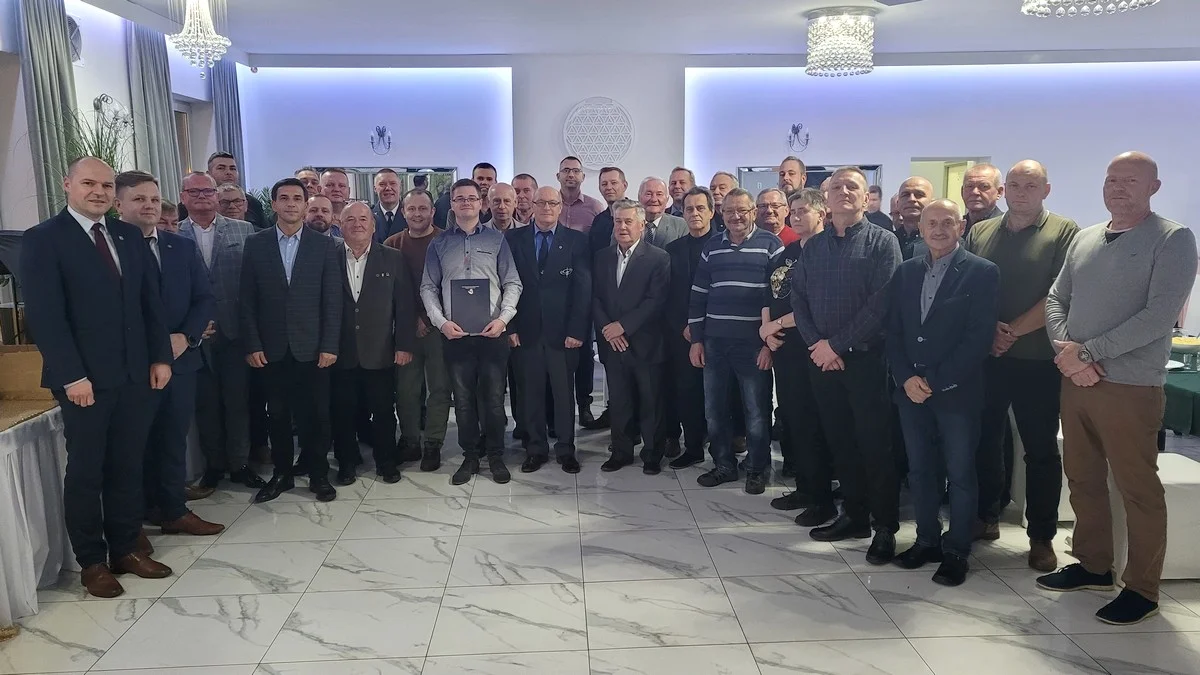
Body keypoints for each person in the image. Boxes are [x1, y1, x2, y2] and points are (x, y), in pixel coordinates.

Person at [1039, 151, 1196, 626]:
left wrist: (1087, 353)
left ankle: (1143, 589)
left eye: (1130, 180)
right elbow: (1056, 298)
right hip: (1077, 381)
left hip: (1130, 386)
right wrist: (1069, 354)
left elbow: (1159, 316)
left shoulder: (1172, 239)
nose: (1118, 188)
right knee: (1083, 477)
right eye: (1112, 180)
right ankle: (1093, 565)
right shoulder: (1086, 238)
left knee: (1137, 488)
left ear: (1154, 187)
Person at [20, 156, 174, 598]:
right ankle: (92, 561)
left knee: (128, 464)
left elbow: (149, 304)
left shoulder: (128, 234)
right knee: (87, 471)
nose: (99, 192)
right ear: (67, 184)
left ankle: (126, 549)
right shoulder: (44, 239)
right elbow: (46, 316)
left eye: (107, 185)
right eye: (89, 183)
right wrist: (72, 376)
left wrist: (160, 357)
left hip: (135, 374)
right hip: (84, 381)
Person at [965, 160, 1079, 570]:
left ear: (1045, 190)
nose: (1021, 192)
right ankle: (986, 516)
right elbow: (967, 286)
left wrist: (1009, 331)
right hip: (989, 358)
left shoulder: (1064, 232)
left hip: (1038, 361)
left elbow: (1060, 293)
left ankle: (1041, 537)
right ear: (1004, 190)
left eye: (1030, 185)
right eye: (1014, 184)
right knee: (985, 441)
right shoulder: (980, 232)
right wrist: (988, 333)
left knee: (1040, 450)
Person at [791, 167, 902, 564]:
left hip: (866, 360)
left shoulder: (883, 242)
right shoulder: (815, 247)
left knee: (875, 444)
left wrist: (835, 345)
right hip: (822, 362)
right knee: (840, 441)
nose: (843, 192)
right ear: (827, 197)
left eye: (851, 186)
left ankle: (884, 526)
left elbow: (882, 303)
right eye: (836, 186)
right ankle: (853, 515)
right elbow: (798, 298)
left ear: (865, 196)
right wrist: (817, 345)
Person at [887, 199, 999, 587]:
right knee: (920, 470)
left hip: (956, 393)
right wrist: (906, 378)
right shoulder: (905, 272)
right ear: (920, 229)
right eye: (931, 223)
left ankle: (957, 551)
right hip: (910, 392)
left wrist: (934, 381)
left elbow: (977, 339)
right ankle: (926, 540)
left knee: (960, 473)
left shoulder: (982, 272)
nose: (938, 230)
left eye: (946, 222)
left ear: (961, 226)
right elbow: (894, 331)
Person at [114, 170, 223, 540]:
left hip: (181, 361)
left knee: (173, 439)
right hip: (134, 364)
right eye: (139, 199)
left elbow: (204, 298)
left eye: (153, 199)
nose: (149, 206)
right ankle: (134, 519)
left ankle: (173, 510)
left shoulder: (181, 247)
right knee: (134, 445)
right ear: (118, 205)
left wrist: (186, 337)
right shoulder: (110, 248)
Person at [240, 178, 343, 504]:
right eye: (283, 198)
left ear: (304, 204)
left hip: (313, 348)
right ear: (273, 204)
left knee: (316, 416)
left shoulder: (324, 245)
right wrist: (253, 344)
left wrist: (330, 345)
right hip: (271, 348)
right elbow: (247, 300)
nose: (290, 204)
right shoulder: (256, 243)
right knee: (278, 415)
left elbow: (332, 300)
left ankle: (318, 474)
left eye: (297, 198)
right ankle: (282, 474)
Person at [421, 178, 522, 485]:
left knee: (494, 400)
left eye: (471, 198)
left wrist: (503, 319)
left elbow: (512, 283)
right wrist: (441, 322)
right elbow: (428, 287)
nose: (466, 202)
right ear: (451, 205)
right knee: (463, 401)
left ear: (481, 203)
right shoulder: (439, 243)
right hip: (456, 336)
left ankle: (496, 455)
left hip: (492, 334)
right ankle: (470, 456)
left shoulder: (497, 241)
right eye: (459, 198)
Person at [688, 187, 782, 494]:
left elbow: (779, 299)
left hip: (753, 346)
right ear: (721, 213)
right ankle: (724, 466)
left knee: (756, 411)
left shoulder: (771, 245)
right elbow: (698, 295)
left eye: (742, 210)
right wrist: (697, 339)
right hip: (715, 344)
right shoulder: (712, 246)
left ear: (754, 212)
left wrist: (769, 345)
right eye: (729, 211)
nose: (736, 216)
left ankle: (757, 468)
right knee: (714, 410)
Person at [177, 172, 264, 493]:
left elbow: (255, 284)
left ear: (216, 196)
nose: (202, 196)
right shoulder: (174, 233)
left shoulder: (244, 231)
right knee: (206, 404)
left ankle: (240, 464)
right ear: (183, 197)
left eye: (207, 191)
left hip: (235, 331)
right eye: (194, 192)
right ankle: (214, 465)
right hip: (193, 337)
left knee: (238, 401)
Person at [507, 186, 592, 474]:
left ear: (560, 207)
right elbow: (505, 285)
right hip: (525, 332)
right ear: (531, 205)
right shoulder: (513, 239)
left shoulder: (576, 241)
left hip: (563, 334)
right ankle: (535, 449)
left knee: (563, 394)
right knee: (530, 394)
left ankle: (566, 449)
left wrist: (577, 330)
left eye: (552, 203)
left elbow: (583, 289)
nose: (546, 208)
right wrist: (510, 326)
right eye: (541, 202)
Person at [330, 202, 415, 485]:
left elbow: (404, 306)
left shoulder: (392, 257)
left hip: (380, 350)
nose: (357, 224)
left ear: (373, 225)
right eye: (350, 219)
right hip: (339, 351)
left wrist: (403, 345)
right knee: (342, 411)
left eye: (363, 219)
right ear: (340, 225)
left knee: (383, 411)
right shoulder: (328, 257)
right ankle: (346, 463)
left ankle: (386, 462)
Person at [764, 188, 834, 525]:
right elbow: (770, 293)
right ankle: (805, 488)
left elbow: (816, 305)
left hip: (815, 348)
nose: (796, 216)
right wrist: (767, 330)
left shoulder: (829, 251)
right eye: (793, 211)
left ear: (822, 213)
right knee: (796, 420)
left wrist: (777, 324)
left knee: (816, 423)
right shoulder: (786, 252)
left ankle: (822, 498)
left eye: (803, 210)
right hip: (785, 349)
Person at [593, 197, 670, 473]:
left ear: (641, 225)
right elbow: (595, 297)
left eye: (628, 222)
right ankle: (621, 452)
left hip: (645, 343)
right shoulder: (601, 257)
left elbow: (655, 301)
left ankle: (652, 454)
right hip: (613, 345)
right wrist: (608, 329)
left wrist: (623, 326)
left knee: (651, 403)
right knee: (620, 402)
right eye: (618, 222)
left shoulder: (658, 258)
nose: (622, 227)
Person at [384, 189, 451, 471]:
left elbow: (451, 284)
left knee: (439, 388)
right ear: (403, 212)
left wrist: (428, 318)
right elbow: (388, 290)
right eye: (411, 209)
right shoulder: (392, 244)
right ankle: (410, 440)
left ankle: (433, 443)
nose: (417, 214)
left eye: (423, 208)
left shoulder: (447, 241)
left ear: (433, 211)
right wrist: (411, 319)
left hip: (441, 328)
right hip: (405, 330)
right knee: (406, 390)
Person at [664, 187, 717, 470]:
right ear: (682, 213)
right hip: (683, 334)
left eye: (700, 208)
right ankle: (693, 447)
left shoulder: (723, 245)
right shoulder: (673, 250)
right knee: (687, 393)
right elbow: (668, 295)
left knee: (719, 395)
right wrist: (685, 327)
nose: (694, 213)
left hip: (719, 333)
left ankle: (722, 452)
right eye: (689, 209)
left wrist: (704, 328)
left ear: (711, 211)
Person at [435, 163, 497, 229]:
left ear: (495, 182)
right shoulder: (455, 211)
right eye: (480, 178)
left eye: (489, 179)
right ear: (472, 180)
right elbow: (450, 234)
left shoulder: (500, 208)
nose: (484, 182)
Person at [557, 156, 605, 232]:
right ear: (558, 176)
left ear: (583, 177)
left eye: (576, 171)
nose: (571, 175)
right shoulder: (548, 205)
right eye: (566, 170)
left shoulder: (595, 207)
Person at [637, 177, 686, 248]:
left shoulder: (681, 226)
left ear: (667, 199)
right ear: (639, 197)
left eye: (659, 194)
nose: (654, 199)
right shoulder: (628, 224)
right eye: (648, 194)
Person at [894, 177, 934, 260]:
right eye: (905, 195)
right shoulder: (885, 241)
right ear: (897, 204)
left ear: (932, 203)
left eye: (919, 195)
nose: (911, 199)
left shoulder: (944, 241)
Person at [962, 164, 1005, 235]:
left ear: (999, 192)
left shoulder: (1009, 227)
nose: (975, 192)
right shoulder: (954, 227)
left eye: (984, 186)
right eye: (969, 186)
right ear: (962, 191)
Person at [372, 168, 407, 241]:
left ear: (400, 187)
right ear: (375, 189)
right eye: (382, 184)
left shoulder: (410, 215)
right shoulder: (368, 216)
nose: (388, 188)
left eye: (393, 183)